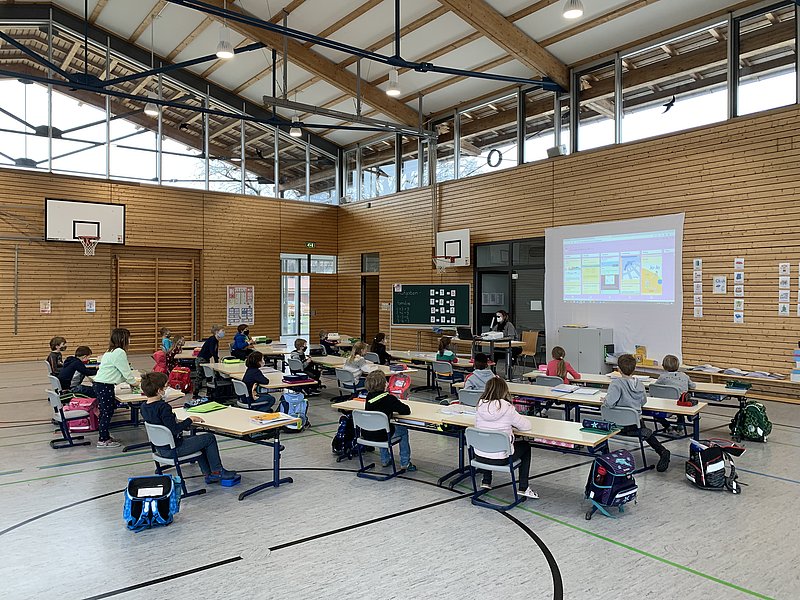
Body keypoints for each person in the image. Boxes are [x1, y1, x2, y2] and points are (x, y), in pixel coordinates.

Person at [140, 371, 239, 485]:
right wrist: (190, 420)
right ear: (159, 390)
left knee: (198, 440)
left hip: (160, 448)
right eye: (166, 386)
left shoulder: (144, 407)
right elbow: (175, 429)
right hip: (173, 449)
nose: (168, 389)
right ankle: (217, 471)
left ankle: (209, 474)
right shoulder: (163, 407)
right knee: (209, 438)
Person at [603, 353, 671, 472]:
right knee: (642, 425)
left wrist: (605, 400)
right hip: (635, 426)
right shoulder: (639, 384)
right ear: (634, 369)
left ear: (618, 369)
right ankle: (662, 451)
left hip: (615, 427)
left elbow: (609, 403)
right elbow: (643, 402)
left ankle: (604, 455)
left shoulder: (616, 384)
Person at [474, 377, 538, 498]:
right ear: (504, 390)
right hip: (501, 458)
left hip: (480, 455)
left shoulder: (479, 406)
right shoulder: (507, 408)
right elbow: (526, 426)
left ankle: (486, 480)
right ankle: (523, 487)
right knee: (525, 446)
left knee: (487, 442)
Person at [362, 370, 416, 472]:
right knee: (403, 430)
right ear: (384, 384)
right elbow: (405, 410)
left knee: (382, 426)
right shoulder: (389, 398)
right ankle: (405, 462)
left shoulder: (369, 397)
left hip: (368, 433)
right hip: (382, 435)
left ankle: (385, 459)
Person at [93, 328, 137, 449]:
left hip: (100, 384)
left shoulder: (110, 351)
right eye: (128, 338)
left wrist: (129, 381)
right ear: (123, 339)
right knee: (107, 412)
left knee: (105, 411)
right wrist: (134, 383)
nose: (130, 340)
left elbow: (117, 372)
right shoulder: (119, 352)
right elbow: (126, 372)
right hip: (104, 385)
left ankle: (105, 436)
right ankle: (103, 440)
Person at [653, 354, 695, 433]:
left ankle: (668, 427)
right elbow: (693, 386)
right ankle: (680, 426)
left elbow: (655, 387)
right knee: (680, 410)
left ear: (663, 366)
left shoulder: (663, 377)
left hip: (665, 404)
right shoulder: (684, 376)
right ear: (678, 365)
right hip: (680, 405)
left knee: (655, 413)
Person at [193, 325, 224, 399]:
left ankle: (209, 392)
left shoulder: (216, 340)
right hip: (201, 359)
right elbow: (212, 351)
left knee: (208, 376)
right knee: (200, 376)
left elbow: (215, 352)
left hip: (206, 359)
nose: (224, 332)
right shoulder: (212, 339)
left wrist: (217, 362)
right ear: (217, 332)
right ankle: (195, 393)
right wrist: (216, 359)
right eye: (222, 331)